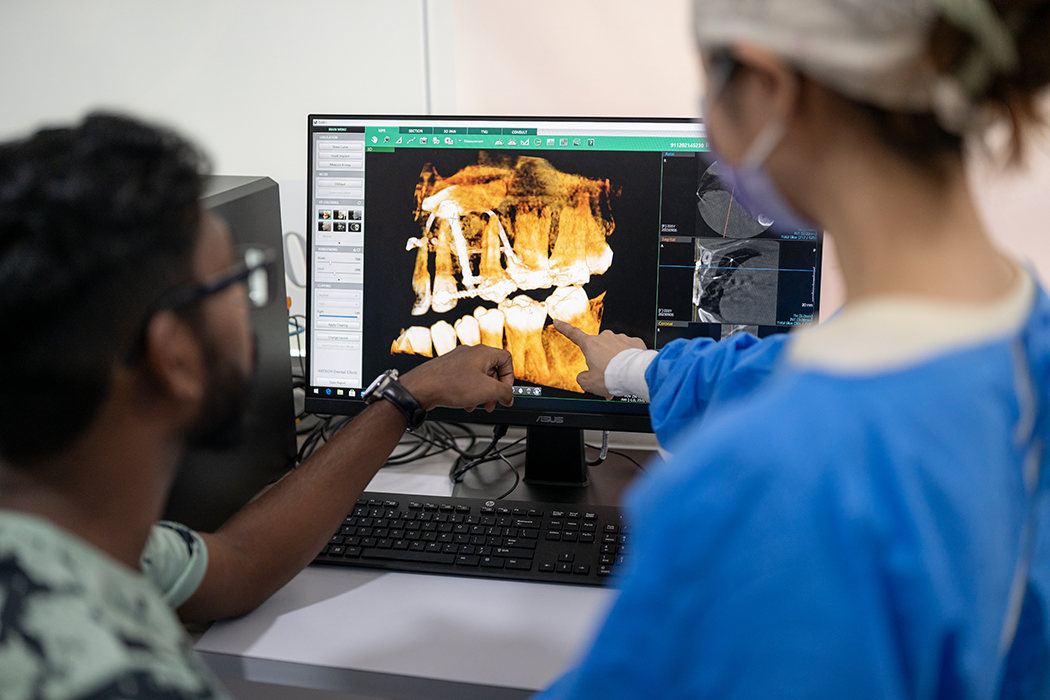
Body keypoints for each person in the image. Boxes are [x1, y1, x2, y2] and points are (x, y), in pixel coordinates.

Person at [542, 0, 1050, 697]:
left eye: (712, 87)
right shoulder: (1018, 340)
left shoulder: (765, 487)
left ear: (770, 86)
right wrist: (635, 368)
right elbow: (778, 375)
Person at [0, 113, 514, 698]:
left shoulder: (80, 537)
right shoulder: (121, 681)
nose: (254, 307)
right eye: (235, 281)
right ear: (175, 356)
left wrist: (408, 396)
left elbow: (241, 564)